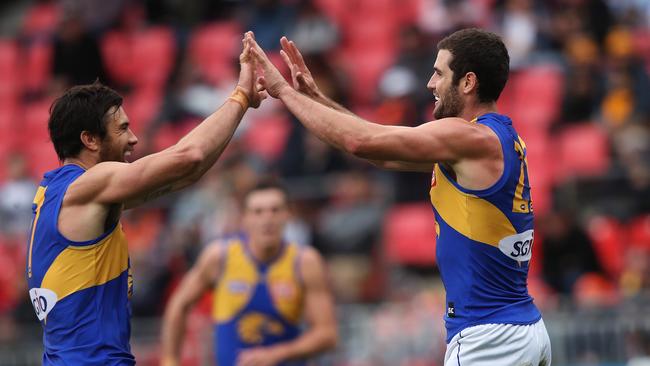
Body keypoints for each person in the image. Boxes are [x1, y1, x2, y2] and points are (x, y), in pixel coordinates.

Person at [248, 28, 552, 365]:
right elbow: (380, 152)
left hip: (488, 335)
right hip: (521, 328)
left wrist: (283, 92)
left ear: (467, 83)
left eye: (439, 73)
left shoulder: (467, 136)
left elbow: (360, 142)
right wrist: (317, 99)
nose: (430, 84)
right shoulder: (493, 138)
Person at [25, 34, 265, 365]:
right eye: (122, 129)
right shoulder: (90, 185)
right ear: (90, 140)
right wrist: (240, 97)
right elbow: (190, 156)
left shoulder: (56, 193)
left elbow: (187, 173)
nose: (134, 138)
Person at [161, 179, 337, 366]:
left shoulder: (304, 262)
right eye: (258, 212)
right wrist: (170, 361)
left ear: (288, 215)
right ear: (244, 218)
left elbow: (327, 335)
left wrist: (275, 355)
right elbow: (178, 305)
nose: (267, 219)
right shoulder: (220, 257)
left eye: (275, 210)